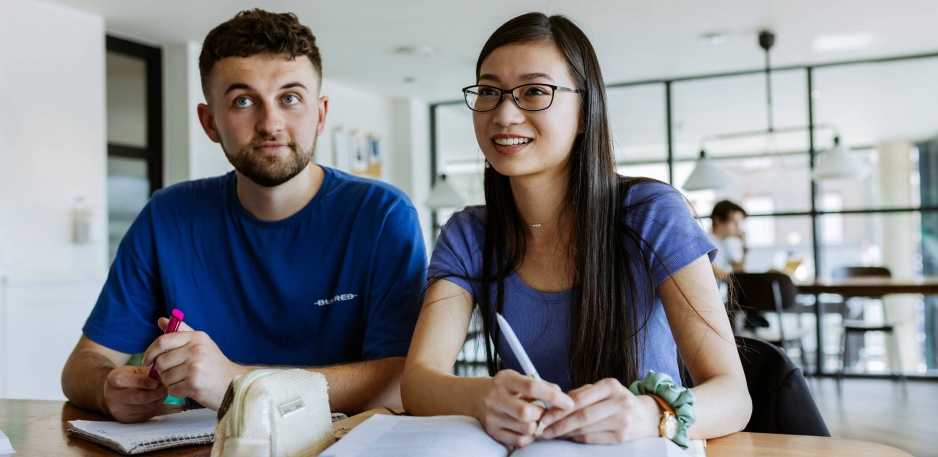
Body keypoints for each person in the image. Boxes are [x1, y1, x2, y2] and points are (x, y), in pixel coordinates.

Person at [401, 12, 751, 448]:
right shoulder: (469, 233)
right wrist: (481, 396)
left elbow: (733, 397)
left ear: (585, 112)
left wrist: (648, 414)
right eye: (489, 91)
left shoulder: (653, 213)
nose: (504, 114)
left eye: (534, 91)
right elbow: (418, 381)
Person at [61, 9, 427, 423]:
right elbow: (82, 365)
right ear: (210, 122)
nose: (271, 123)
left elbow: (399, 381)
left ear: (321, 114)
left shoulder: (382, 216)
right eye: (243, 101)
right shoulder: (167, 217)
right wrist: (108, 388)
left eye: (290, 98)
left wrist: (238, 383)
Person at [709, 200, 749, 282]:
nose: (738, 227)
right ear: (718, 221)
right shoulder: (707, 244)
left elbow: (739, 270)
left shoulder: (724, 244)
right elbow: (722, 276)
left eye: (739, 223)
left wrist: (744, 246)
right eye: (733, 222)